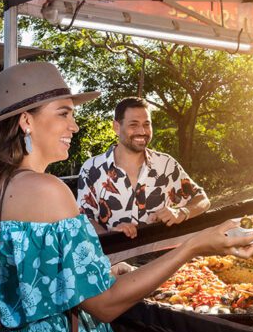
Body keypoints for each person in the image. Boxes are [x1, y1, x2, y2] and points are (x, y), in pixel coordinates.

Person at [0, 62, 253, 332]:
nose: (74, 126)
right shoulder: (47, 189)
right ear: (26, 121)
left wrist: (107, 270)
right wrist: (193, 246)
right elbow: (103, 304)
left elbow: (46, 279)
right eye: (64, 113)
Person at [76, 97, 211, 239]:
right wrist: (111, 233)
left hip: (165, 256)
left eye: (147, 124)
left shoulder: (166, 164)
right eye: (133, 125)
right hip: (116, 258)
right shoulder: (91, 168)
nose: (142, 131)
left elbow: (202, 200)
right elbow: (84, 221)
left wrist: (182, 212)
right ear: (116, 127)